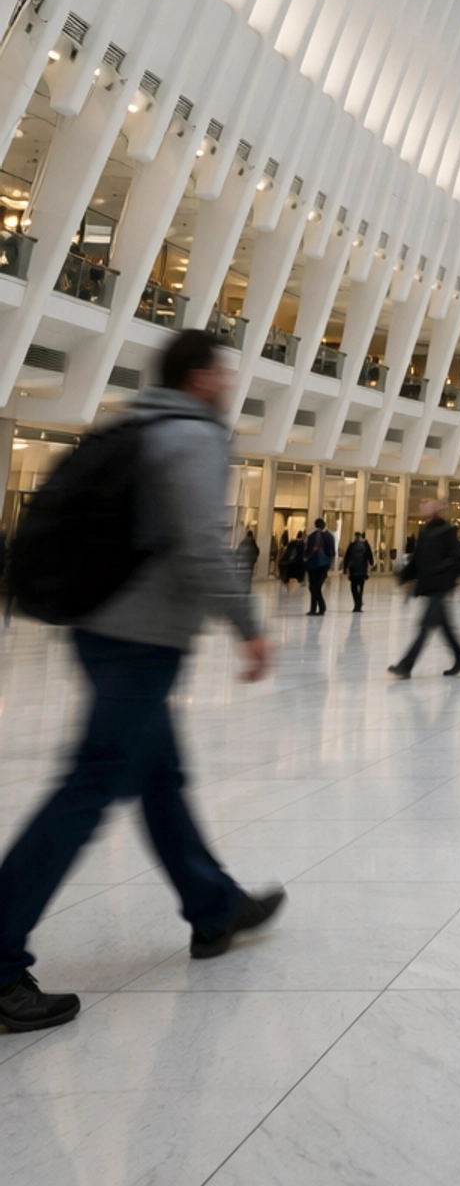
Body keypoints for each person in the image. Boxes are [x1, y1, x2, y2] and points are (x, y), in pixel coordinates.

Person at [0, 329, 281, 1035]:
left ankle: (213, 907)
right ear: (200, 376)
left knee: (159, 777)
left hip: (102, 627)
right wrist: (249, 625)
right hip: (141, 640)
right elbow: (198, 544)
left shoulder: (138, 424)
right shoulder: (193, 438)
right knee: (89, 787)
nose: (229, 383)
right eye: (223, 371)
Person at [388, 500, 460, 679]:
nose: (422, 509)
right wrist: (405, 577)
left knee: (425, 626)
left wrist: (442, 573)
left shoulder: (448, 532)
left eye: (427, 506)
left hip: (441, 587)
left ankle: (405, 666)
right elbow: (417, 559)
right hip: (430, 586)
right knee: (444, 627)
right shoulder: (425, 532)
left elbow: (458, 559)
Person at [303, 517, 335, 615]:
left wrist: (305, 561)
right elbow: (332, 551)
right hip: (324, 564)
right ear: (324, 525)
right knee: (316, 587)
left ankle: (315, 608)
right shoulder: (329, 536)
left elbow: (307, 550)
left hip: (312, 564)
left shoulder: (311, 536)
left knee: (313, 586)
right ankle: (320, 607)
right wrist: (330, 563)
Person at [342, 529, 374, 612]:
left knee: (353, 587)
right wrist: (371, 563)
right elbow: (369, 555)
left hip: (353, 570)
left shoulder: (352, 545)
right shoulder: (365, 544)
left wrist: (345, 568)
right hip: (362, 569)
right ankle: (359, 603)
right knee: (361, 587)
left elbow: (347, 556)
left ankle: (356, 603)